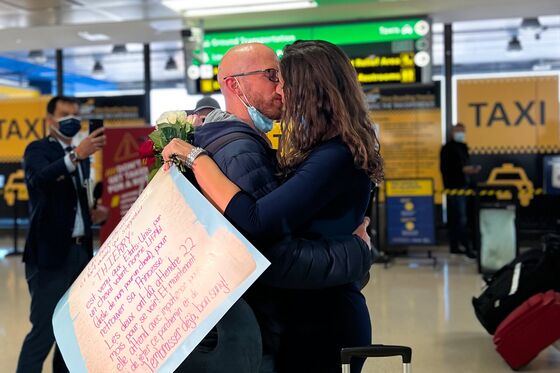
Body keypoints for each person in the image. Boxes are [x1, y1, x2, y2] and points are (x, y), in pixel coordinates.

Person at [164, 40, 383, 373]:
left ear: (310, 89)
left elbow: (256, 221)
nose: (279, 90)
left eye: (282, 80)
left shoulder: (334, 156)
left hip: (326, 321)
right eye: (272, 77)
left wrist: (197, 158)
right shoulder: (322, 150)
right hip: (308, 314)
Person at [17, 96, 107, 373]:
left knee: (72, 333)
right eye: (63, 114)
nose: (70, 120)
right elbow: (39, 179)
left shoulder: (81, 158)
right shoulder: (38, 149)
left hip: (80, 253)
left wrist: (95, 212)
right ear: (49, 120)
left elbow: (74, 199)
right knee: (44, 330)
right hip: (49, 255)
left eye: (74, 115)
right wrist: (76, 155)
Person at [440, 123, 480, 258]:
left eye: (463, 131)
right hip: (453, 188)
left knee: (462, 218)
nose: (460, 134)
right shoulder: (447, 149)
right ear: (452, 133)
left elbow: (466, 164)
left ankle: (459, 246)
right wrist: (462, 170)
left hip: (465, 187)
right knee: (458, 219)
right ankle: (464, 247)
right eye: (458, 131)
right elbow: (447, 168)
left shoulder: (463, 147)